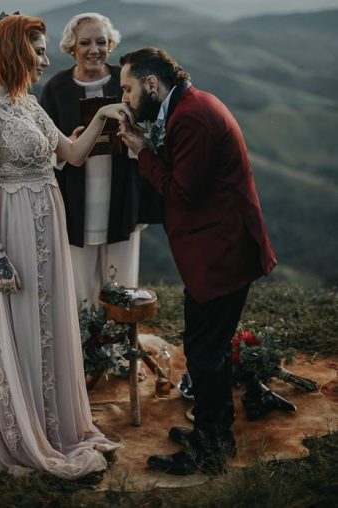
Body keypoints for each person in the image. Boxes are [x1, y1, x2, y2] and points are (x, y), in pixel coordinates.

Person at [0, 13, 125, 479]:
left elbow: (71, 153)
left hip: (48, 221)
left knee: (49, 320)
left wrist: (104, 116)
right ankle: (22, 431)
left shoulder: (29, 105)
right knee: (22, 322)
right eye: (39, 50)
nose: (48, 58)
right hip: (13, 227)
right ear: (16, 53)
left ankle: (55, 423)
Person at [117, 47, 277, 476]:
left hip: (221, 255)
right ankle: (214, 434)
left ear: (151, 84)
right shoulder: (188, 105)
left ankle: (209, 452)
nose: (127, 99)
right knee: (208, 349)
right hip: (218, 252)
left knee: (206, 354)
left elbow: (184, 191)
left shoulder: (191, 117)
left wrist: (140, 151)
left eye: (128, 89)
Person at [40, 13, 147, 307]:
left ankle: (120, 344)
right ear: (71, 46)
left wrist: (131, 138)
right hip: (76, 199)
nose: (94, 49)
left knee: (122, 286)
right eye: (85, 42)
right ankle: (87, 345)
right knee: (81, 289)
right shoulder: (56, 89)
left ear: (111, 44)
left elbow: (149, 136)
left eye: (101, 41)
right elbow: (42, 147)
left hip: (122, 194)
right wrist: (68, 146)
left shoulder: (125, 82)